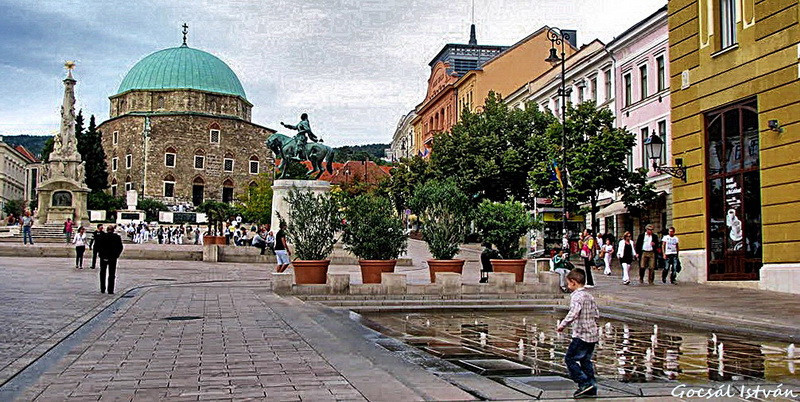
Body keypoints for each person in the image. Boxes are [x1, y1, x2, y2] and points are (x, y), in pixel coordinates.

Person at [557, 268, 599, 398]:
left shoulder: (577, 296)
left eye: (568, 283)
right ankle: (591, 386)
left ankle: (584, 382)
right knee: (586, 360)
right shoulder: (589, 295)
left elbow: (573, 313)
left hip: (581, 335)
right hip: (592, 334)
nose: (568, 286)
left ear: (574, 282)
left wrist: (562, 324)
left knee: (570, 359)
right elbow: (596, 313)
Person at [98, 225, 124, 294]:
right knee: (112, 274)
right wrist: (116, 255)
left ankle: (102, 288)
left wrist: (101, 255)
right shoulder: (117, 237)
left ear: (107, 230)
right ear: (113, 230)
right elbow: (120, 247)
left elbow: (98, 246)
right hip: (112, 258)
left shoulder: (102, 236)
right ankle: (110, 290)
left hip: (103, 257)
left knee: (102, 273)